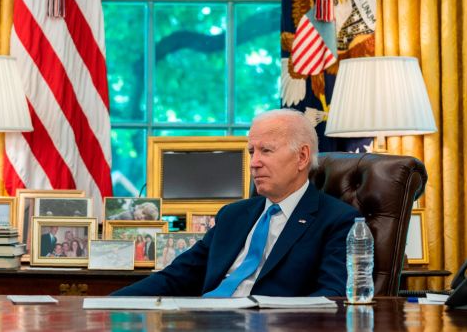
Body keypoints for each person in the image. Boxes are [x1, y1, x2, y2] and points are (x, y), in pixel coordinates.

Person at [112, 108, 358, 297]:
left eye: (266, 151)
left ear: (302, 157)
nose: (254, 162)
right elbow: (178, 275)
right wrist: (107, 304)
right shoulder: (233, 215)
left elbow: (331, 298)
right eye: (252, 151)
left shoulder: (337, 220)